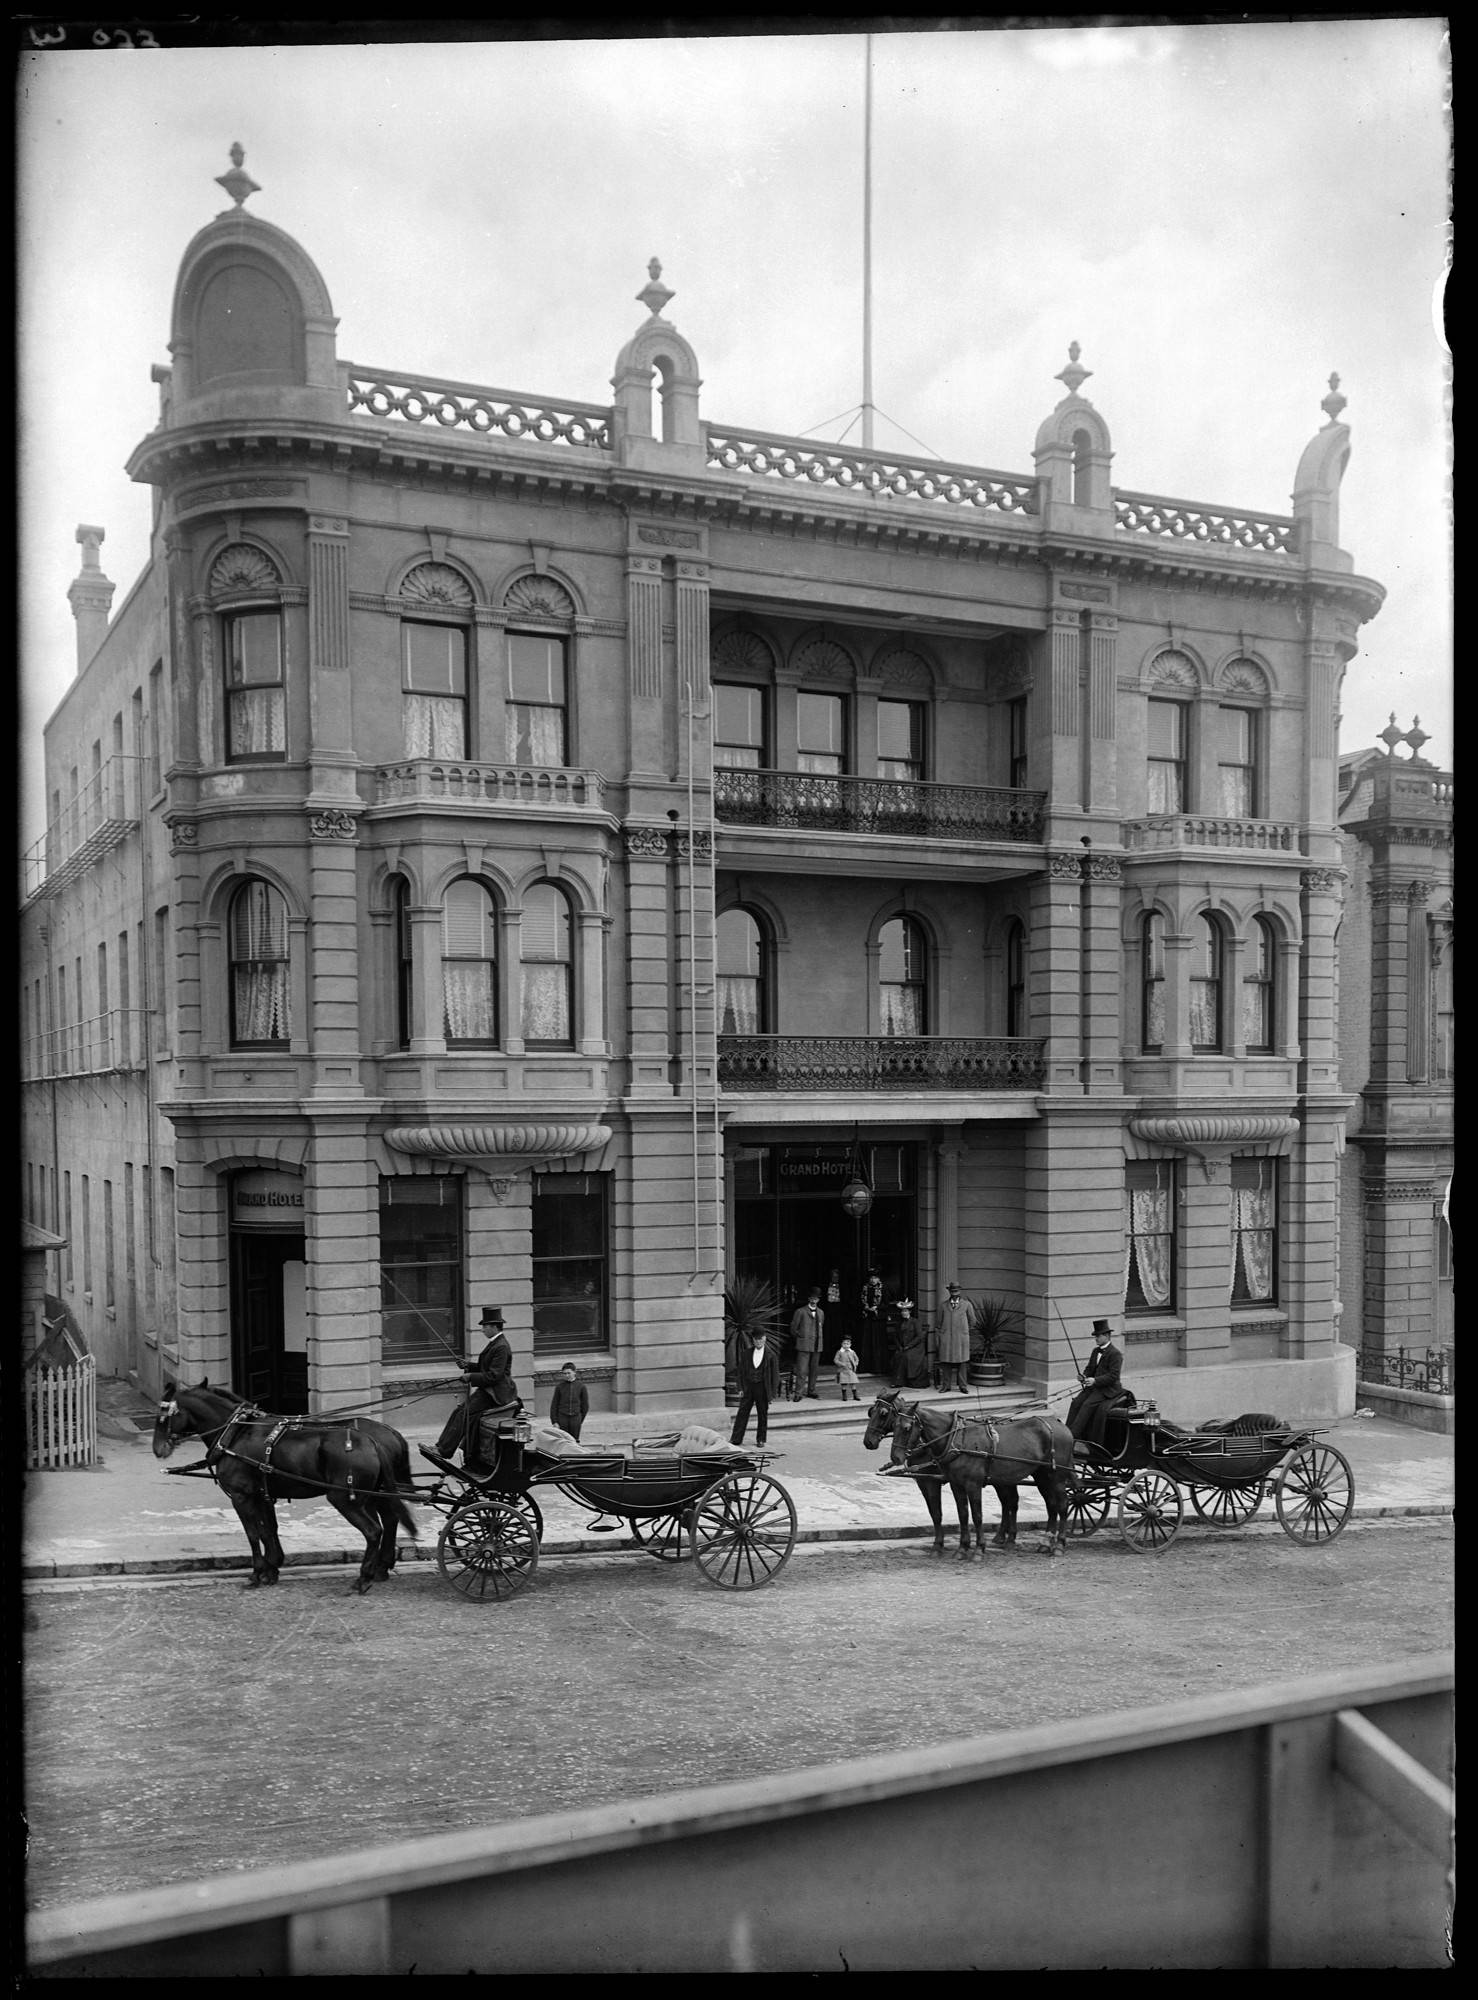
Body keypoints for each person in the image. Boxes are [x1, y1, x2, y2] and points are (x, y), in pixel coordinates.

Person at [434, 1306, 521, 1468]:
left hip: (496, 1394)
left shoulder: (501, 1346)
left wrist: (470, 1377)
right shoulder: (495, 1343)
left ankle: (445, 1450)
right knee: (459, 1411)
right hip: (488, 1390)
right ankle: (442, 1447)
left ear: (494, 1327)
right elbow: (485, 1367)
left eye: (485, 1327)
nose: (482, 1330)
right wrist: (468, 1366)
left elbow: (494, 1375)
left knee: (464, 1414)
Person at [1066, 1318, 1125, 1445]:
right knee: (1076, 1403)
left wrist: (1095, 1380)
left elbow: (1113, 1376)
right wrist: (1084, 1376)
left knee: (1087, 1405)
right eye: (1095, 1336)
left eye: (1098, 1336)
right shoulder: (1095, 1351)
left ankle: (1074, 1438)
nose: (1096, 1339)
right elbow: (1090, 1368)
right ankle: (1066, 1432)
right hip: (1094, 1387)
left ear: (1107, 1336)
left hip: (1108, 1390)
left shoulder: (1115, 1354)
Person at [730, 1327, 779, 1447]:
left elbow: (775, 1376)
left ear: (765, 1339)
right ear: (753, 1340)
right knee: (742, 1412)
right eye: (756, 1340)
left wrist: (772, 1394)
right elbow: (740, 1372)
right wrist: (740, 1388)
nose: (758, 1342)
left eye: (760, 1339)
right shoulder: (746, 1354)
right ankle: (736, 1438)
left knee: (762, 1414)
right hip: (748, 1386)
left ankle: (761, 1439)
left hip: (762, 1387)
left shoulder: (771, 1355)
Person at [935, 1281, 978, 1394]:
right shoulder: (943, 1305)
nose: (954, 1294)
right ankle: (946, 1385)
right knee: (946, 1362)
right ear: (949, 1292)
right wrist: (942, 1334)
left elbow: (973, 1321)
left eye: (956, 1291)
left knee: (962, 1363)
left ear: (960, 1292)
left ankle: (963, 1386)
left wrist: (964, 1330)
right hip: (947, 1338)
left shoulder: (967, 1305)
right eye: (952, 1291)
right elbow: (938, 1323)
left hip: (961, 1339)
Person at [790, 1288, 825, 1401]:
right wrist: (802, 1337)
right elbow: (793, 1329)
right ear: (809, 1299)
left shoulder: (821, 1312)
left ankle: (811, 1391)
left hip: (817, 1345)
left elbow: (821, 1326)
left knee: (814, 1370)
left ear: (818, 1300)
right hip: (804, 1344)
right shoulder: (800, 1311)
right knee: (802, 1370)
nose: (814, 1300)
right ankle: (798, 1393)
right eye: (812, 1298)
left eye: (816, 1298)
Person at [890, 1299, 929, 1388]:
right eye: (902, 1311)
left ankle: (900, 1381)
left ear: (909, 1312)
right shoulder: (899, 1323)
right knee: (898, 1355)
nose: (904, 1313)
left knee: (906, 1356)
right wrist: (899, 1346)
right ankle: (898, 1380)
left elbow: (919, 1337)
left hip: (916, 1348)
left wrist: (909, 1346)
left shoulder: (915, 1322)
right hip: (903, 1347)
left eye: (905, 1311)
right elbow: (895, 1336)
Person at [549, 1361, 588, 1441]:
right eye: (564, 1373)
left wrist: (580, 1419)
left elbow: (585, 1406)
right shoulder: (559, 1387)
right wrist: (554, 1421)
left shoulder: (581, 1386)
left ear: (574, 1372)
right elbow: (554, 1405)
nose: (567, 1375)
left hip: (575, 1418)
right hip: (562, 1417)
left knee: (574, 1440)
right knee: (563, 1440)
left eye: (568, 1373)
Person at [859, 1268, 884, 1375]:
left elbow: (886, 1303)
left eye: (875, 1278)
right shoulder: (865, 1288)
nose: (873, 1280)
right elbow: (860, 1301)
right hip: (867, 1318)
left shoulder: (883, 1289)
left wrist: (877, 1308)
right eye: (872, 1278)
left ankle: (878, 1368)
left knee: (877, 1343)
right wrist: (867, 1308)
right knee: (867, 1342)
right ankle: (866, 1366)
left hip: (878, 1320)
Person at [832, 1334, 861, 1402]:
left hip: (851, 1371)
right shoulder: (839, 1352)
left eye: (848, 1344)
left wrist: (855, 1364)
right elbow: (835, 1360)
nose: (846, 1345)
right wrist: (841, 1364)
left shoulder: (852, 1352)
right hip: (843, 1370)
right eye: (844, 1343)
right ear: (841, 1344)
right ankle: (844, 1395)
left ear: (850, 1344)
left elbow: (857, 1359)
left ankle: (855, 1395)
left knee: (853, 1383)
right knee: (844, 1383)